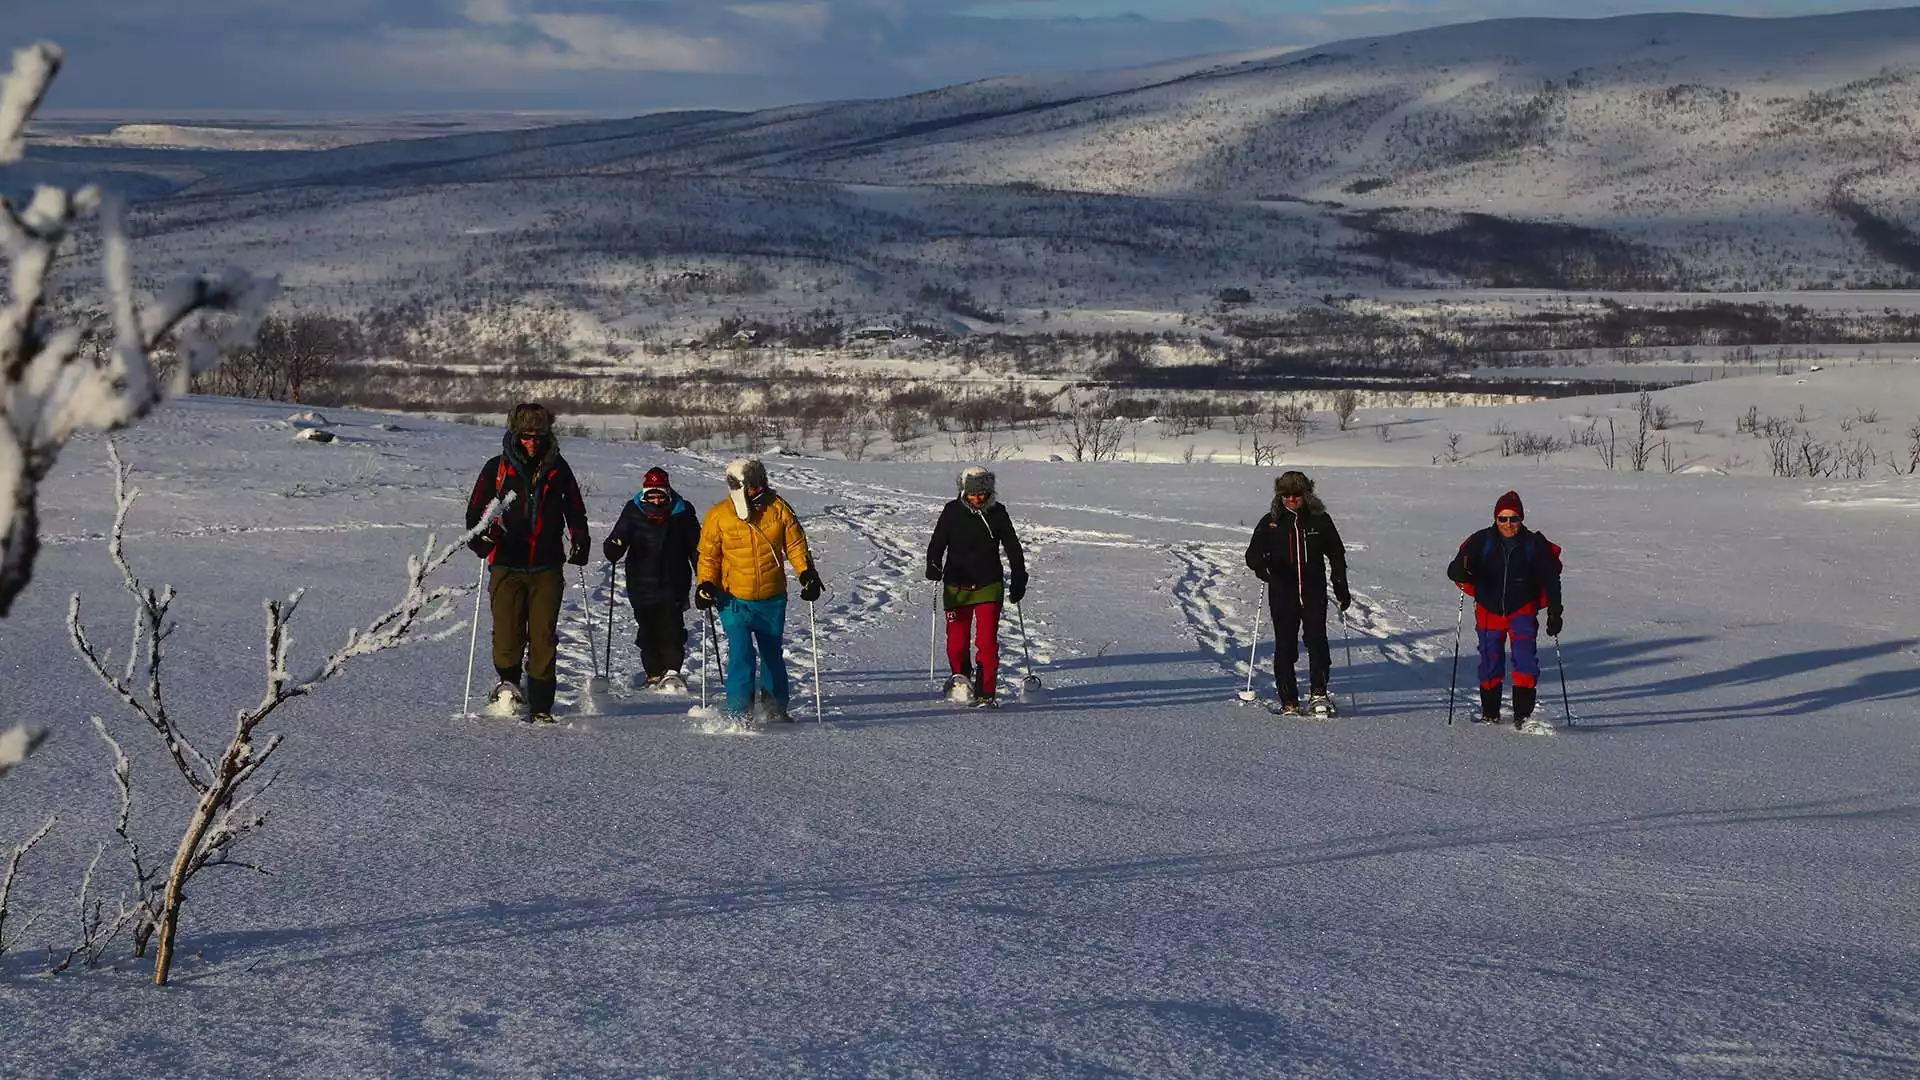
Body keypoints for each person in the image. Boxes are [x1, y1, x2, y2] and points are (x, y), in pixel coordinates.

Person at [465, 402, 590, 723]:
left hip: (547, 565)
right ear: (515, 435)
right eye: (525, 436)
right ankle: (508, 682)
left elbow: (574, 508)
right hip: (506, 562)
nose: (532, 442)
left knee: (543, 635)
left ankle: (542, 703)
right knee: (507, 633)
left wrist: (580, 539)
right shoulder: (497, 469)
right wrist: (481, 539)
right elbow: (476, 513)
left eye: (537, 436)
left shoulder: (559, 469)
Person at [694, 458, 821, 723]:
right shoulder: (718, 515)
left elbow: (796, 545)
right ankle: (738, 713)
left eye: (757, 485)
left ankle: (775, 709)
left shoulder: (778, 509)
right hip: (733, 598)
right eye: (747, 487)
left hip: (772, 598)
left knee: (771, 654)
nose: (753, 491)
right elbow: (708, 557)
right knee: (741, 653)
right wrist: (705, 583)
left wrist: (806, 573)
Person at [1445, 490, 1564, 727]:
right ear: (1495, 518)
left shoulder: (1534, 544)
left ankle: (1523, 715)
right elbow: (1455, 568)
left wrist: (1555, 610)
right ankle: (1490, 712)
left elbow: (1551, 578)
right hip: (1489, 609)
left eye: (1513, 519)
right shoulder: (1481, 540)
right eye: (1503, 518)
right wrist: (1459, 572)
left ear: (1521, 519)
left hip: (1522, 609)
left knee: (1525, 661)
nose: (1508, 524)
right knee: (1489, 660)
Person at [1244, 470, 1350, 716]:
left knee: (1317, 641)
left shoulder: (1319, 520)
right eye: (1286, 495)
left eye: (1297, 494)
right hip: (1283, 592)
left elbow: (1336, 554)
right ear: (1280, 496)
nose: (1291, 499)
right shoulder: (1270, 522)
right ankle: (1289, 699)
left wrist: (1340, 585)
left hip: (1313, 591)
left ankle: (1319, 693)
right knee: (1285, 646)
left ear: (1306, 494)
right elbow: (1252, 555)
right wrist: (1263, 566)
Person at [925, 466, 1028, 709]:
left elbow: (1013, 546)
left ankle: (986, 692)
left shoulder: (998, 513)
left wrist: (1019, 575)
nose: (977, 498)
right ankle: (961, 679)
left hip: (988, 584)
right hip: (956, 586)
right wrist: (933, 564)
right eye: (972, 494)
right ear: (963, 491)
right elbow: (937, 542)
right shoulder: (952, 511)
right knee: (956, 644)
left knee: (987, 642)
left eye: (982, 493)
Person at [603, 465, 700, 691]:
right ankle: (654, 673)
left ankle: (673, 672)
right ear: (645, 494)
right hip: (640, 581)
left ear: (667, 492)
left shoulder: (682, 511)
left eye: (660, 495)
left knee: (672, 627)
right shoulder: (633, 510)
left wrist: (703, 574)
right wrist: (614, 546)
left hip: (674, 580)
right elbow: (614, 543)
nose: (656, 501)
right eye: (651, 496)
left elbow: (696, 547)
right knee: (647, 629)